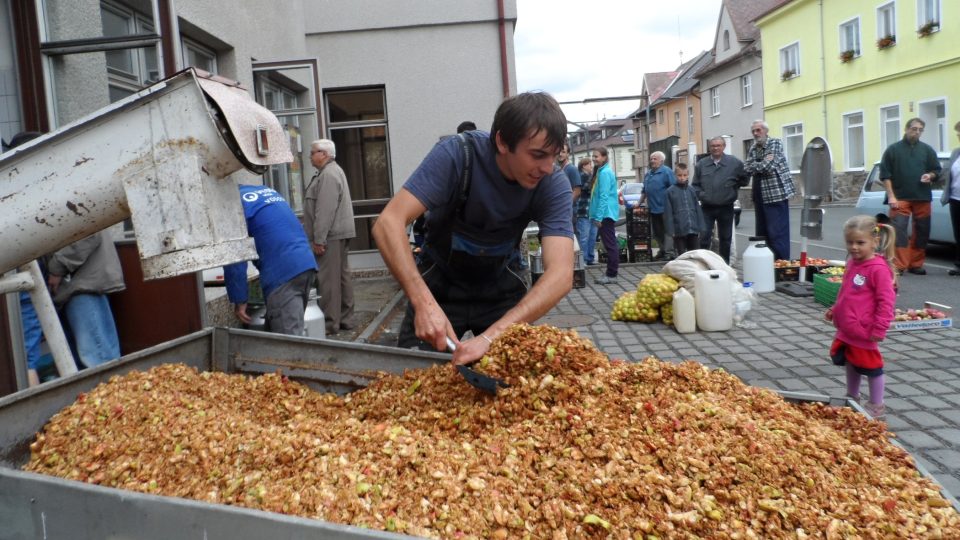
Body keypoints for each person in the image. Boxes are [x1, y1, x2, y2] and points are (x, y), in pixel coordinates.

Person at [371, 91, 574, 365]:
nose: (548, 168)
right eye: (537, 155)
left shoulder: (552, 184)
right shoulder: (457, 155)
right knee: (412, 379)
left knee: (514, 384)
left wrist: (491, 338)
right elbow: (388, 223)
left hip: (501, 288)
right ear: (502, 141)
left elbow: (561, 274)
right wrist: (423, 303)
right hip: (440, 285)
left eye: (554, 155)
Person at [824, 215, 897, 419]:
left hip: (865, 329)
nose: (854, 247)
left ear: (875, 242)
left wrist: (880, 327)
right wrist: (835, 309)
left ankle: (876, 404)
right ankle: (852, 396)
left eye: (860, 242)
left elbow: (886, 302)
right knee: (851, 362)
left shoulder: (878, 269)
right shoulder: (852, 263)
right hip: (848, 327)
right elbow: (847, 293)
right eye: (850, 242)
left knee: (872, 367)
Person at [224, 185, 317, 335]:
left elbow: (235, 258)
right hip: (305, 263)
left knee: (288, 344)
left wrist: (239, 299)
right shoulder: (262, 191)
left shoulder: (231, 206)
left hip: (283, 272)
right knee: (278, 334)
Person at [46, 230, 125, 368]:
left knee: (98, 360)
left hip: (80, 284)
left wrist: (57, 266)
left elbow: (90, 230)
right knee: (101, 356)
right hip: (81, 282)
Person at [304, 139, 357, 334]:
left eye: (312, 153)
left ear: (324, 154)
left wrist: (319, 239)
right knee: (342, 277)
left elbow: (324, 210)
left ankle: (329, 323)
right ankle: (345, 319)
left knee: (328, 280)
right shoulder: (333, 171)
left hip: (330, 236)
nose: (310, 156)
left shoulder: (328, 175)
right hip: (338, 233)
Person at [882, 117, 942, 275]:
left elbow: (937, 170)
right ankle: (899, 265)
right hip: (900, 197)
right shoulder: (893, 150)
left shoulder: (927, 150)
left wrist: (930, 175)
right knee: (899, 231)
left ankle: (916, 264)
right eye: (914, 129)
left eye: (920, 130)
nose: (917, 132)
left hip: (922, 197)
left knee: (922, 231)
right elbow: (885, 175)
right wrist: (891, 197)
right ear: (906, 129)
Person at [743, 120, 796, 262]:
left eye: (758, 130)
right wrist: (758, 164)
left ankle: (781, 262)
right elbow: (746, 167)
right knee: (762, 232)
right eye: (753, 131)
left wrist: (755, 165)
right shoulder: (753, 148)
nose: (755, 133)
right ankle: (766, 262)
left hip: (775, 193)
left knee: (777, 232)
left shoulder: (775, 143)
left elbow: (769, 166)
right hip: (759, 193)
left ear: (766, 131)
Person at [693, 136, 748, 263]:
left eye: (718, 145)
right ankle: (703, 264)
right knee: (704, 238)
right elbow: (695, 185)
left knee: (726, 238)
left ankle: (724, 265)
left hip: (726, 206)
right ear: (709, 148)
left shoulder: (734, 163)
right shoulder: (702, 164)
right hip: (707, 207)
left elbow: (744, 179)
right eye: (713, 146)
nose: (715, 148)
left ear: (724, 147)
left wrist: (732, 188)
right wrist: (702, 195)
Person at [589, 146, 619, 284]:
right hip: (604, 213)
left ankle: (611, 274)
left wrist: (599, 217)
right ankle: (611, 273)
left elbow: (604, 196)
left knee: (610, 245)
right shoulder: (601, 171)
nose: (594, 158)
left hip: (605, 214)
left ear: (604, 157)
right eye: (593, 156)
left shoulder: (605, 173)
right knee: (609, 244)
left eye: (597, 156)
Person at [639, 151, 677, 260]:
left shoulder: (667, 172)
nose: (652, 161)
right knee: (657, 232)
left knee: (668, 231)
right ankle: (662, 249)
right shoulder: (648, 174)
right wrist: (639, 202)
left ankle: (669, 253)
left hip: (665, 208)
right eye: (651, 159)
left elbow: (673, 188)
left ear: (661, 161)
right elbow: (644, 190)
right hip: (653, 208)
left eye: (655, 159)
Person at [664, 163, 705, 256]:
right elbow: (668, 213)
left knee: (695, 253)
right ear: (675, 175)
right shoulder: (670, 191)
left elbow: (697, 208)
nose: (682, 178)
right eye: (679, 175)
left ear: (688, 175)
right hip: (679, 229)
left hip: (693, 228)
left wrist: (701, 226)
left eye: (684, 175)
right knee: (682, 254)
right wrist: (671, 230)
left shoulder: (691, 190)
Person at [943, 120, 960, 276]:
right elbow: (947, 172)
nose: (959, 135)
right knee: (958, 233)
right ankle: (958, 265)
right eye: (958, 133)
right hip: (955, 199)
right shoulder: (956, 152)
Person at [575, 157, 596, 264]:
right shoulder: (581, 176)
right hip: (583, 211)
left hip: (591, 211)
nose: (591, 166)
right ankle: (583, 260)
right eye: (590, 165)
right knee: (584, 237)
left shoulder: (589, 176)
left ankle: (590, 258)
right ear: (584, 166)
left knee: (592, 236)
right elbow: (589, 188)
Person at [556, 141, 581, 207]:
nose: (560, 154)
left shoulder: (572, 169)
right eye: (558, 152)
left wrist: (565, 205)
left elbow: (577, 191)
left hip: (569, 211)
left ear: (568, 154)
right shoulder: (557, 169)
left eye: (563, 152)